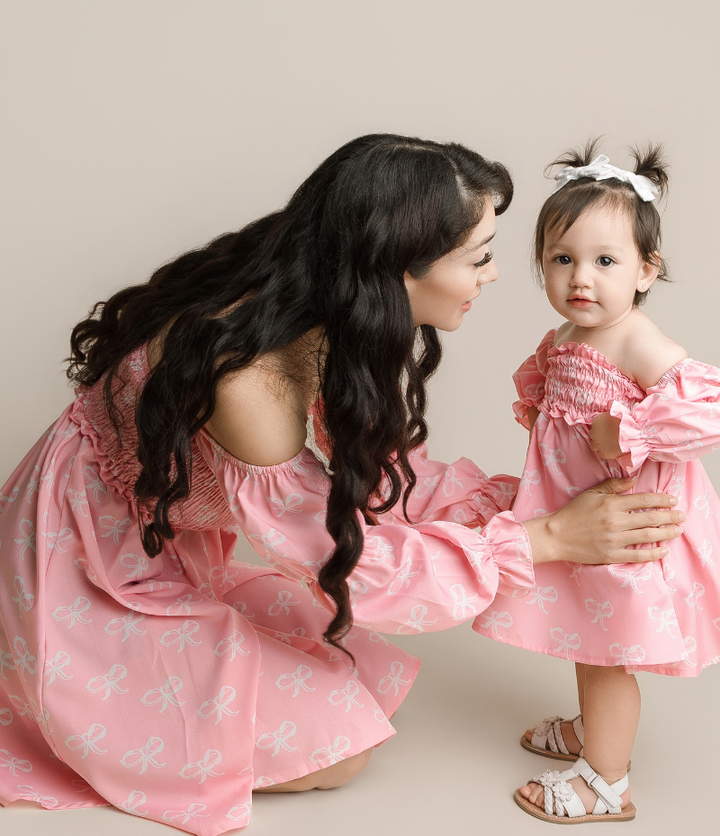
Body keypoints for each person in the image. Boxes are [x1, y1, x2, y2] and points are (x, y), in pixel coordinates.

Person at [0, 135, 683, 835]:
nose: (496, 275)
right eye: (478, 257)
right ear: (396, 267)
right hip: (76, 564)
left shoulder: (325, 312)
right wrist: (543, 538)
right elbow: (344, 563)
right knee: (338, 752)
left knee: (356, 682)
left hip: (158, 540)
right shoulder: (249, 380)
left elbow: (380, 479)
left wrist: (522, 503)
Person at [476, 143, 720, 823]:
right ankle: (593, 731)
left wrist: (632, 433)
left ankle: (607, 780)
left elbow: (709, 410)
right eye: (563, 259)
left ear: (646, 272)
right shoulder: (570, 333)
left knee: (606, 654)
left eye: (605, 261)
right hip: (577, 519)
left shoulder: (638, 340)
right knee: (586, 636)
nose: (582, 278)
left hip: (622, 529)